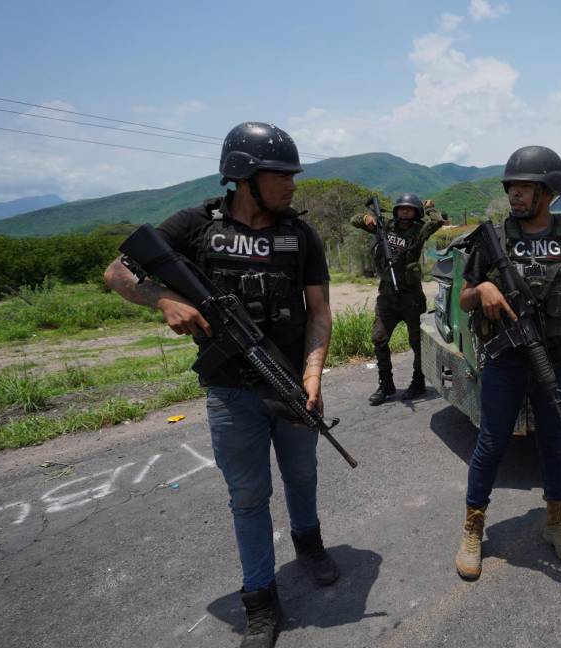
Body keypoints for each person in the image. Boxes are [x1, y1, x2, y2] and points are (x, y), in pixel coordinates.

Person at [104, 122, 335, 648]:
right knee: (249, 497)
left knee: (303, 476)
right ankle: (259, 599)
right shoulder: (194, 226)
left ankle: (310, 545)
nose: (292, 185)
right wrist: (162, 299)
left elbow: (319, 313)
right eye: (282, 176)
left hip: (294, 385)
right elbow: (118, 273)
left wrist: (313, 373)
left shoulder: (301, 234)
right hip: (231, 392)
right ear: (246, 176)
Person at [453, 145, 561, 580]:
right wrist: (482, 293)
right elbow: (464, 296)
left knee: (555, 442)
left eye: (525, 187)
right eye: (511, 186)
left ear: (548, 191)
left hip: (555, 357)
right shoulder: (492, 238)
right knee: (492, 443)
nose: (515, 194)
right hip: (505, 360)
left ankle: (556, 522)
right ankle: (473, 530)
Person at [350, 193, 448, 405]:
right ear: (395, 210)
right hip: (386, 294)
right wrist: (366, 218)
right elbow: (354, 220)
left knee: (417, 342)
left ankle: (418, 381)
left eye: (409, 209)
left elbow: (438, 221)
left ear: (416, 212)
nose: (404, 212)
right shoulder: (384, 226)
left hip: (411, 295)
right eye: (401, 208)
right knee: (378, 338)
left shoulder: (420, 230)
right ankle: (386, 384)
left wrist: (430, 207)